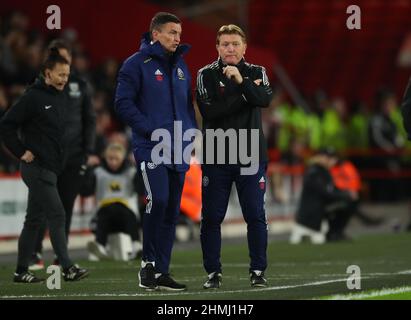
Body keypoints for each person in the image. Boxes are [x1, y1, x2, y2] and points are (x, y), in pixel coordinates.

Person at [115, 12, 197, 291]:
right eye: (172, 32)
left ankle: (162, 271)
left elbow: (187, 108)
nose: (178, 38)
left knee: (172, 211)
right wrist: (150, 130)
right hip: (151, 147)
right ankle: (147, 265)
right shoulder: (135, 65)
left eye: (179, 33)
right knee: (158, 200)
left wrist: (191, 135)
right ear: (155, 34)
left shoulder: (182, 66)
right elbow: (123, 104)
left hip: (179, 149)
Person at [0, 48, 89, 283]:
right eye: (60, 75)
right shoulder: (32, 97)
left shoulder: (59, 96)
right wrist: (21, 152)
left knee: (33, 220)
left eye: (67, 75)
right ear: (47, 74)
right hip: (37, 168)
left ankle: (20, 271)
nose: (64, 79)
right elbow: (6, 125)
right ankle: (67, 267)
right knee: (58, 214)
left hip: (51, 169)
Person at [196, 24, 273, 289]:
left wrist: (241, 82)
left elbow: (264, 100)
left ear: (244, 47)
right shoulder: (204, 74)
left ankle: (258, 270)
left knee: (255, 214)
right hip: (217, 152)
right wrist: (246, 92)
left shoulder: (257, 72)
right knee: (212, 217)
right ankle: (213, 273)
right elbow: (211, 113)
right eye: (225, 44)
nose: (230, 48)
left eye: (235, 44)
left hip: (250, 153)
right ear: (217, 47)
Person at [28, 39, 98, 270]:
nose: (62, 61)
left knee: (65, 205)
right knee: (40, 206)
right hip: (46, 156)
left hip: (74, 156)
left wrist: (87, 151)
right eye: (56, 56)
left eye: (65, 56)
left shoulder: (80, 84)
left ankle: (62, 257)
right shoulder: (39, 86)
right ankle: (33, 253)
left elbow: (90, 119)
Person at [81, 143, 142, 260]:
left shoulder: (131, 171)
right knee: (105, 213)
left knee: (125, 213)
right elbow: (85, 192)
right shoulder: (97, 172)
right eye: (110, 158)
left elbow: (141, 190)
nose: (113, 162)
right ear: (105, 157)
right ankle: (100, 246)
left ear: (123, 158)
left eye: (117, 159)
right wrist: (87, 169)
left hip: (127, 216)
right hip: (104, 215)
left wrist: (139, 168)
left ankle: (136, 245)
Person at [290, 149, 353, 244]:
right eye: (328, 158)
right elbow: (325, 192)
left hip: (316, 211)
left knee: (348, 202)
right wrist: (345, 195)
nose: (332, 161)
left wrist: (346, 193)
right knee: (346, 203)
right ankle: (333, 233)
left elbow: (331, 190)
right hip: (311, 216)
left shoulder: (322, 171)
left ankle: (335, 233)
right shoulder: (315, 172)